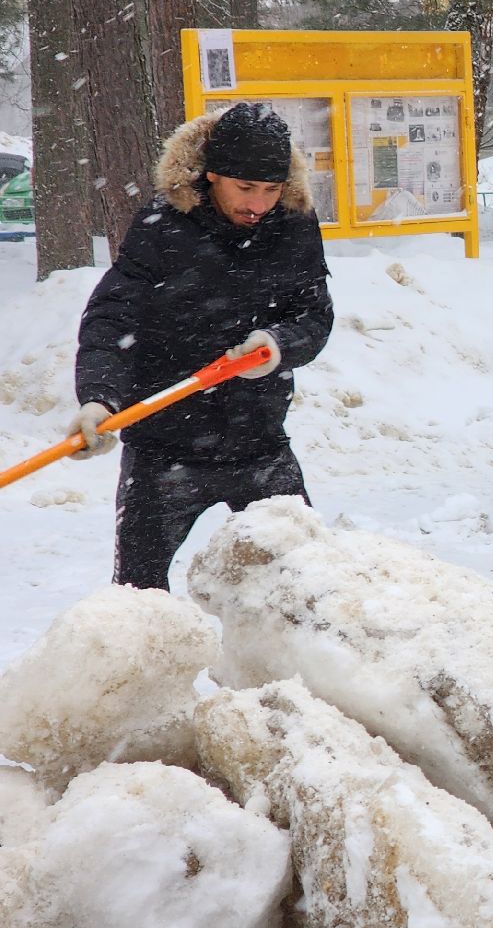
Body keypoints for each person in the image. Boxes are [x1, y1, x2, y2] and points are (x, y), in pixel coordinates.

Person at [69, 102, 334, 591]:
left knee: (308, 586)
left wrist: (276, 345)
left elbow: (313, 313)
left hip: (260, 445)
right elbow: (112, 318)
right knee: (137, 596)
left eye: (271, 190)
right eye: (245, 188)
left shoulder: (293, 223)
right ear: (213, 175)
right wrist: (98, 396)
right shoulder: (164, 226)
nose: (258, 204)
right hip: (163, 449)